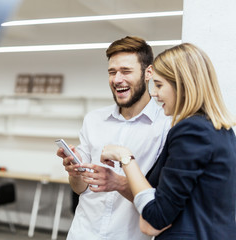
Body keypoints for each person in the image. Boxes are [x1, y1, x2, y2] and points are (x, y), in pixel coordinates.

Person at [100, 43, 236, 239]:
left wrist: (124, 157)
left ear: (182, 84)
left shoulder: (191, 130)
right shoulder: (223, 131)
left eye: (159, 85)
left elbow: (155, 218)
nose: (154, 93)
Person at [56, 36, 170, 239]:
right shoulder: (93, 120)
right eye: (112, 72)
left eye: (126, 71)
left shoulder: (166, 125)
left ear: (148, 73)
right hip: (82, 233)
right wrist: (74, 173)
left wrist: (118, 182)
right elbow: (81, 189)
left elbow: (162, 200)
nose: (117, 79)